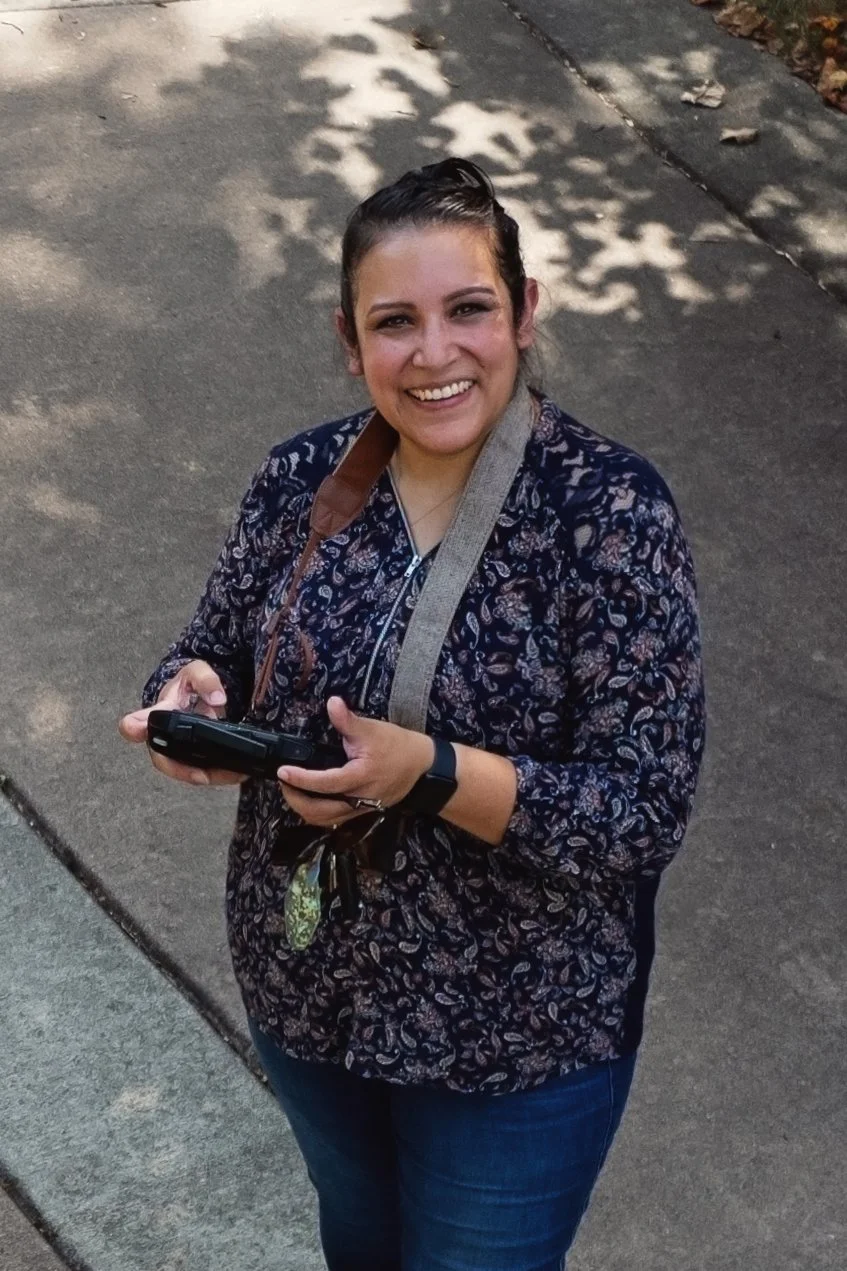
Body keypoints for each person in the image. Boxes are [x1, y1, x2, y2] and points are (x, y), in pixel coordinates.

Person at [120, 157, 705, 1271]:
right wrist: (191, 693)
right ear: (351, 340)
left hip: (517, 1041)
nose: (433, 353)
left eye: (468, 308)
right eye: (395, 322)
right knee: (361, 1244)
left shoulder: (610, 514)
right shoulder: (301, 477)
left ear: (525, 311)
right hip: (310, 991)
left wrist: (427, 771)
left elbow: (642, 811)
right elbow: (222, 642)